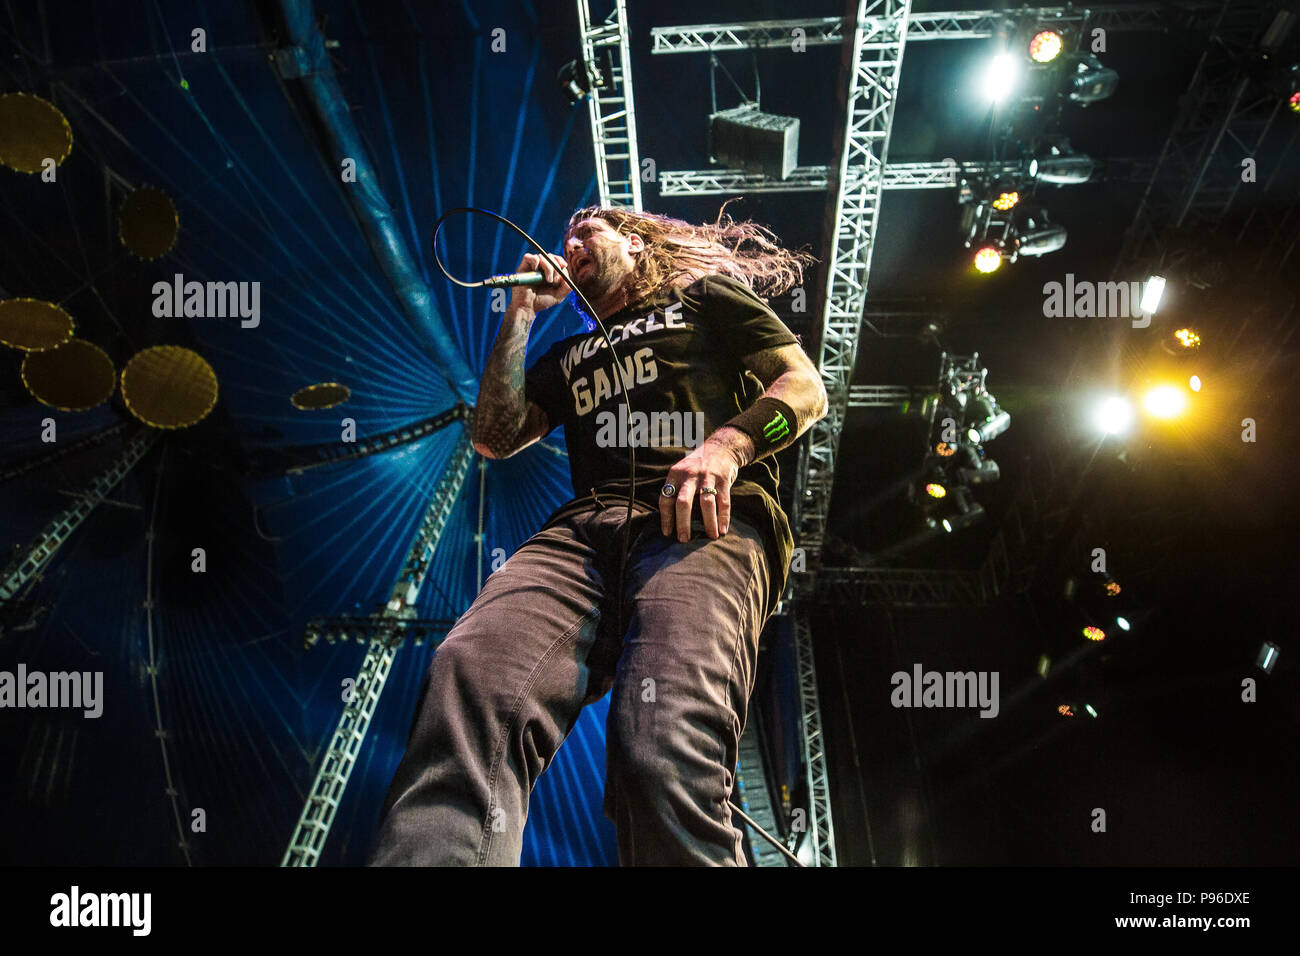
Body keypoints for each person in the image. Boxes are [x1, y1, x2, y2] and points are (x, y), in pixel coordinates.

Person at [368, 203, 827, 866]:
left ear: (636, 244)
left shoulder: (702, 297)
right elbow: (494, 438)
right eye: (566, 237)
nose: (571, 243)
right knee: (471, 676)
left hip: (699, 522)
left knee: (661, 742)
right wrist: (521, 314)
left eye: (587, 230)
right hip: (585, 531)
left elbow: (805, 389)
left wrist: (728, 447)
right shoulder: (568, 354)